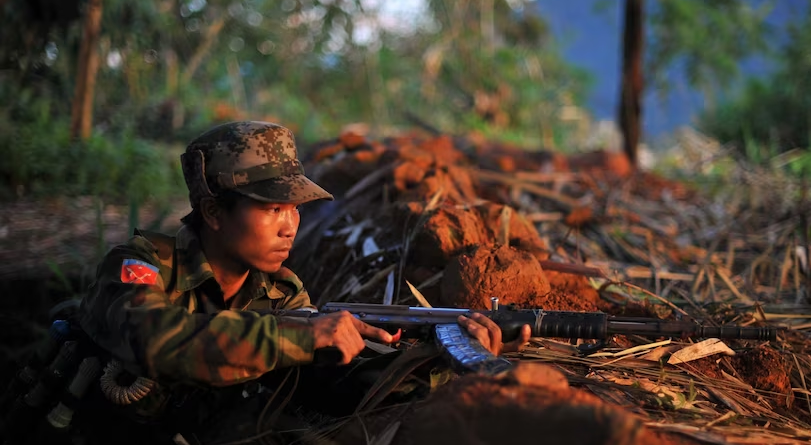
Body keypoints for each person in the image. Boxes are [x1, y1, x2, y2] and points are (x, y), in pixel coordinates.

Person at [77, 120, 529, 398]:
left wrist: (442, 358)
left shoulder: (281, 293)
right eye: (272, 208)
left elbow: (334, 388)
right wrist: (301, 337)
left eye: (294, 207)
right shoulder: (143, 265)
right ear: (214, 212)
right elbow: (155, 341)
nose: (291, 224)